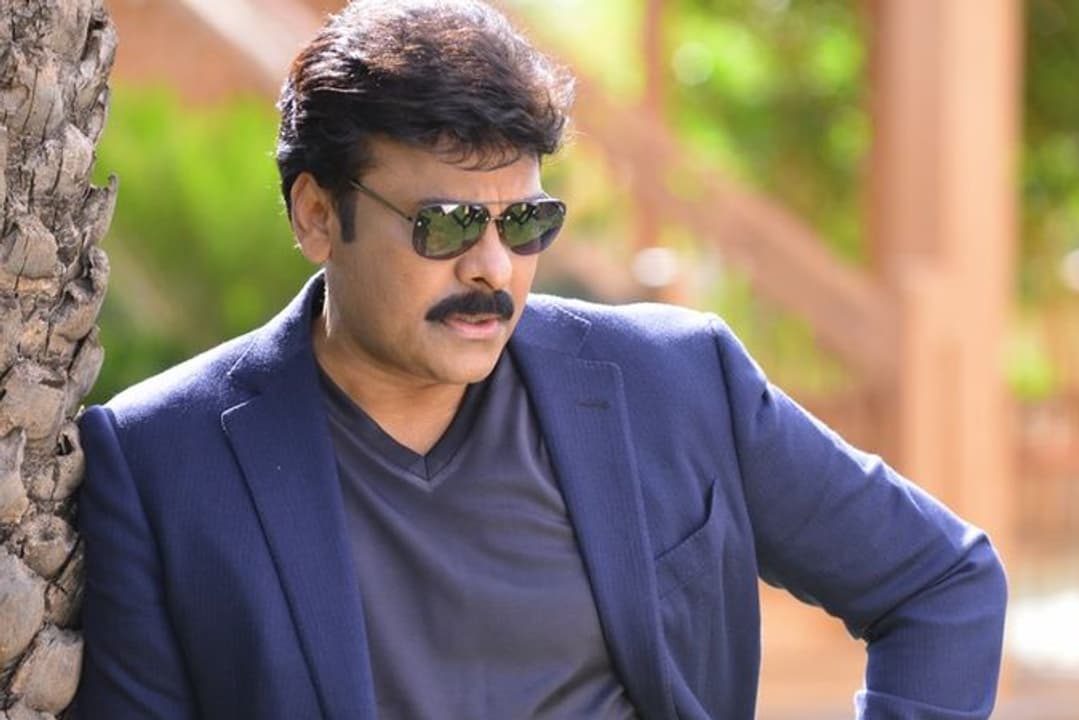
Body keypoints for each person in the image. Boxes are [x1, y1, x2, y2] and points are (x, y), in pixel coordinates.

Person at [76, 1, 1007, 717]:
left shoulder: (680, 383)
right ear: (318, 215)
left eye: (524, 221)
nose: (492, 267)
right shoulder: (163, 462)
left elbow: (942, 581)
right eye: (446, 225)